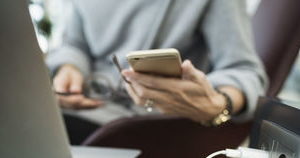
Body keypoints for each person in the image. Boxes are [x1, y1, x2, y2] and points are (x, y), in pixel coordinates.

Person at [46, 0, 268, 144]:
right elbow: (73, 44)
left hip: (140, 122)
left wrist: (219, 103)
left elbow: (245, 70)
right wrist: (69, 67)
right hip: (79, 106)